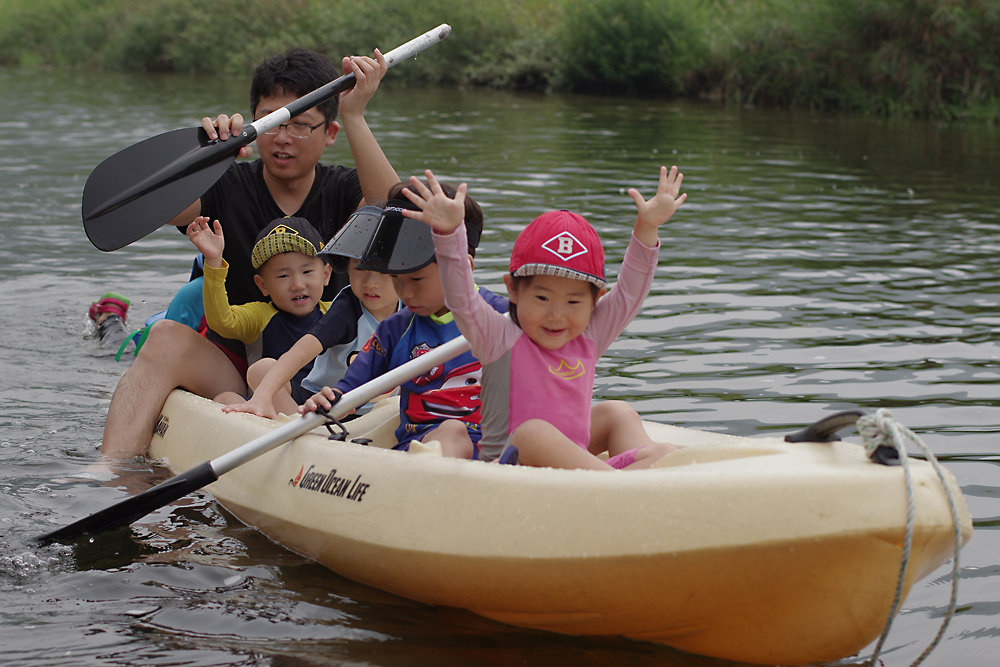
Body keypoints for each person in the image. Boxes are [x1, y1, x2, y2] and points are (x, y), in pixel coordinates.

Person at [101, 46, 399, 458]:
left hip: (331, 370)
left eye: (299, 126)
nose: (281, 139)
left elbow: (394, 216)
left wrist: (354, 115)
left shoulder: (347, 189)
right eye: (271, 123)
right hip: (240, 363)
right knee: (165, 337)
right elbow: (155, 208)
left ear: (329, 134)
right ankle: (109, 474)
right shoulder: (228, 184)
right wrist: (205, 156)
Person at [400, 166, 687, 470]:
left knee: (627, 420)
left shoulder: (589, 334)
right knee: (533, 433)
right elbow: (460, 296)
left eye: (574, 300)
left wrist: (647, 227)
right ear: (512, 289)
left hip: (574, 467)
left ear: (595, 301)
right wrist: (449, 234)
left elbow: (630, 293)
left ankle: (642, 483)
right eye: (542, 298)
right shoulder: (498, 336)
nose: (556, 314)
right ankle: (620, 487)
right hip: (510, 469)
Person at [301, 186, 508, 460]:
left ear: (463, 266)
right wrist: (327, 400)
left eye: (417, 279)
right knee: (453, 431)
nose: (405, 293)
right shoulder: (394, 330)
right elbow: (347, 392)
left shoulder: (506, 316)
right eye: (396, 279)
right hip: (423, 449)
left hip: (500, 449)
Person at [221, 206, 401, 419]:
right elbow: (300, 352)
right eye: (360, 268)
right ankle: (302, 434)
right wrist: (263, 396)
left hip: (384, 410)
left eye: (383, 271)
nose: (371, 283)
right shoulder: (347, 309)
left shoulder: (414, 308)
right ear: (348, 268)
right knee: (261, 370)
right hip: (320, 402)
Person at [187, 215, 339, 406]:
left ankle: (304, 428)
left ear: (326, 274)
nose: (297, 285)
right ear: (263, 285)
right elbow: (221, 322)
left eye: (307, 272)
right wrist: (214, 261)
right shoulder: (259, 316)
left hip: (325, 401)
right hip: (271, 405)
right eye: (283, 275)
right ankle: (294, 426)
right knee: (226, 398)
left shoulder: (338, 312)